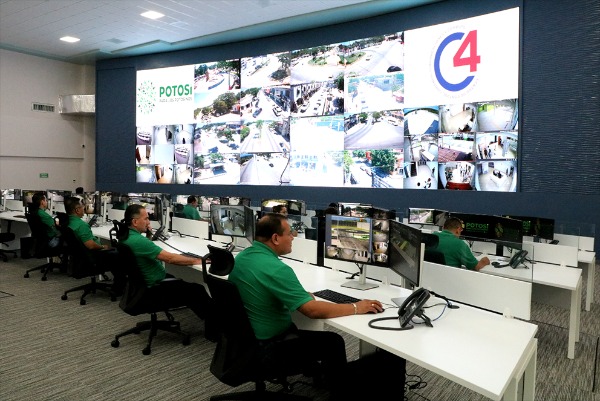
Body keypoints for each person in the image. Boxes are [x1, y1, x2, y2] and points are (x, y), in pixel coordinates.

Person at [230, 213, 401, 398]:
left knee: (310, 334)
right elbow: (312, 310)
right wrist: (356, 307)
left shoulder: (242, 257)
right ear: (275, 238)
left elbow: (266, 290)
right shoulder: (276, 269)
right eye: (289, 233)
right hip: (267, 348)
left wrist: (299, 295)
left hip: (243, 343)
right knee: (332, 342)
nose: (293, 237)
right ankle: (340, 392)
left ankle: (324, 377)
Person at [118, 204, 215, 339]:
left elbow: (145, 250)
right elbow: (170, 258)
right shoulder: (138, 241)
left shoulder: (126, 236)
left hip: (141, 287)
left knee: (184, 283)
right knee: (197, 290)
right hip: (154, 288)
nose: (148, 222)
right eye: (146, 219)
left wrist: (148, 235)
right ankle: (215, 330)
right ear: (135, 222)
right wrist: (198, 260)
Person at [64, 196, 126, 293]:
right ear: (77, 210)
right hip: (92, 258)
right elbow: (91, 245)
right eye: (82, 206)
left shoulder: (68, 222)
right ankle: (119, 287)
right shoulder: (81, 225)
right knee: (120, 254)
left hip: (80, 258)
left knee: (114, 251)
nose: (84, 208)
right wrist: (103, 246)